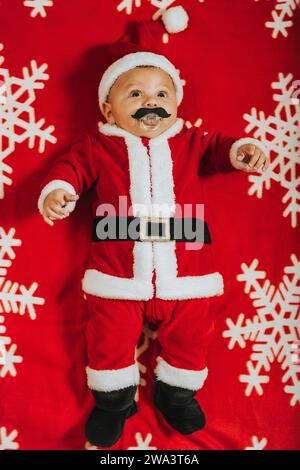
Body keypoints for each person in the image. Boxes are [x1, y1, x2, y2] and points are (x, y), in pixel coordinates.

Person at [37, 7, 269, 447]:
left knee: (192, 339)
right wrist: (57, 190)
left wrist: (240, 150)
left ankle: (177, 394)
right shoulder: (98, 145)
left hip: (188, 276)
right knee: (107, 340)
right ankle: (113, 402)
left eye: (163, 94)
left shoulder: (189, 139)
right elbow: (70, 170)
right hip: (118, 276)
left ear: (177, 103)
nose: (152, 103)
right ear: (108, 107)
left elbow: (219, 149)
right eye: (135, 94)